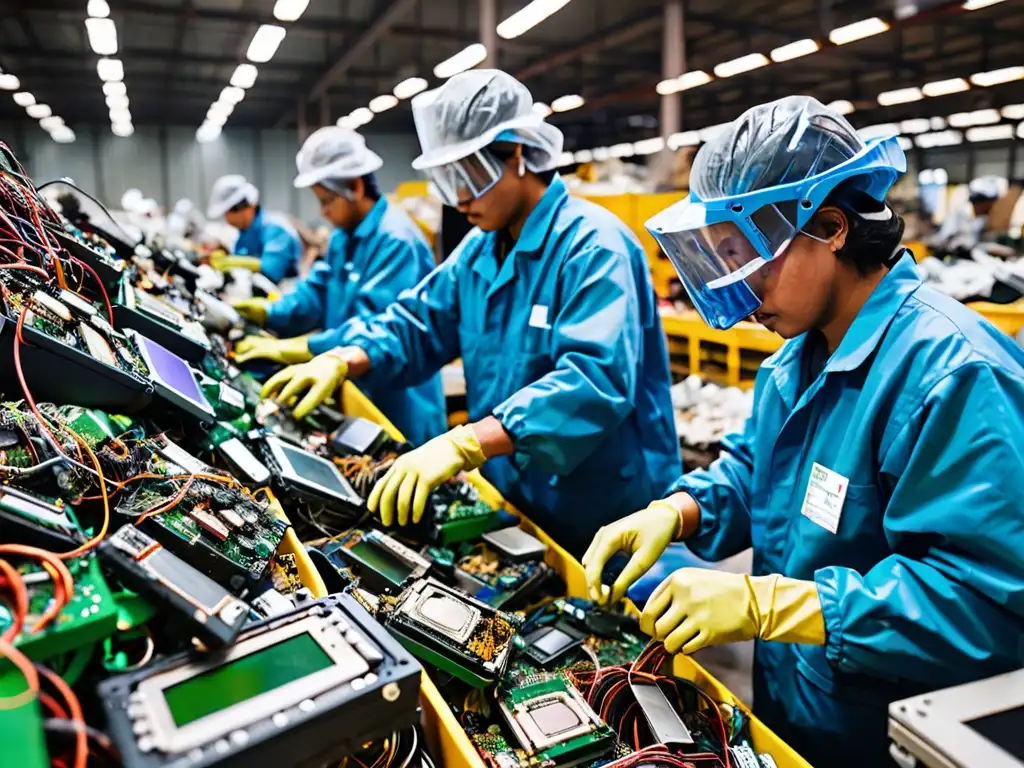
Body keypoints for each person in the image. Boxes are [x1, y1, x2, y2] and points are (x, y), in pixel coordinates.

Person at [581, 96, 1024, 766]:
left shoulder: (953, 373)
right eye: (722, 256)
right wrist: (676, 511)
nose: (740, 286)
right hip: (794, 710)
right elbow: (753, 474)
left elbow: (984, 601)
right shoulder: (796, 357)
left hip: (888, 736)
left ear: (832, 228)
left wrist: (772, 606)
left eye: (749, 254)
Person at [262, 69, 680, 556]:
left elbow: (593, 382)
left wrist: (466, 444)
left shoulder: (593, 247)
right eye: (447, 179)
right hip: (516, 493)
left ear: (519, 152)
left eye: (471, 175)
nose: (460, 198)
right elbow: (416, 323)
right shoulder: (478, 253)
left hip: (603, 509)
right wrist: (344, 358)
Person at [232, 127, 446, 446]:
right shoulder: (343, 238)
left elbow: (376, 329)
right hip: (354, 391)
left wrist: (298, 349)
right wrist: (269, 312)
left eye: (327, 200)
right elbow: (315, 293)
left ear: (355, 186)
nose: (323, 212)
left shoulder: (396, 241)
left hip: (398, 405)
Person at [206, 174, 301, 282]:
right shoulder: (245, 233)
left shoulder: (275, 228)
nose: (227, 220)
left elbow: (272, 271)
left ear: (247, 207)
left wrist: (228, 262)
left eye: (228, 213)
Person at [929, 174, 1005, 252]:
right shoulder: (958, 217)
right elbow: (944, 240)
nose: (990, 208)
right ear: (980, 203)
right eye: (989, 204)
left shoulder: (983, 220)